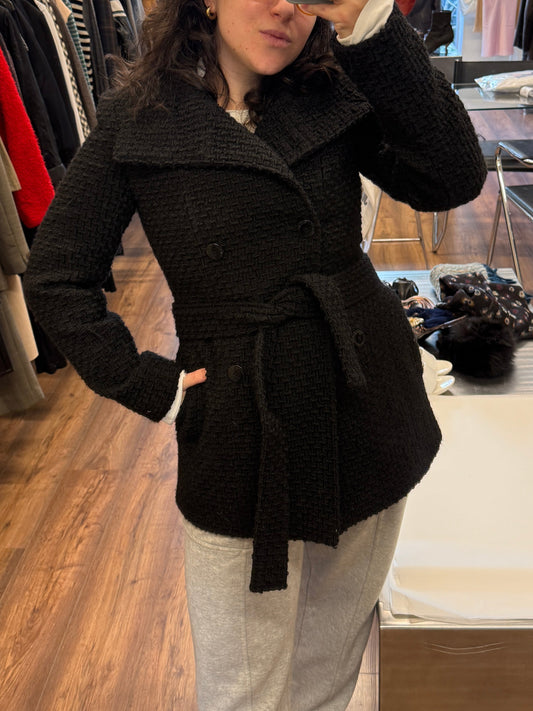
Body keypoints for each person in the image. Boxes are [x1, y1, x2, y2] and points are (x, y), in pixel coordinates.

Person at [24, 0, 486, 708]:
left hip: (364, 404)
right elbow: (57, 275)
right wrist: (150, 384)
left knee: (329, 666)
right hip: (239, 426)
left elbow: (452, 177)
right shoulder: (140, 115)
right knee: (240, 689)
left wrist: (370, 27)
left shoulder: (335, 92)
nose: (283, 9)